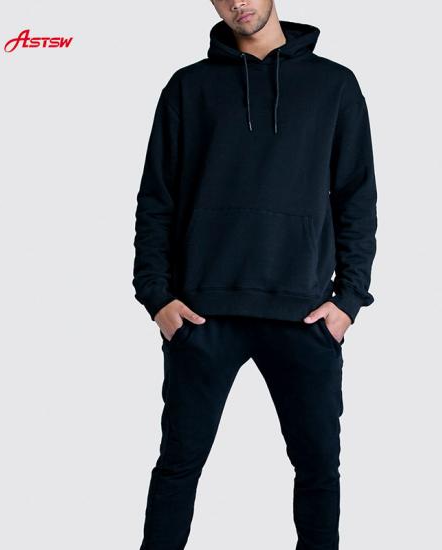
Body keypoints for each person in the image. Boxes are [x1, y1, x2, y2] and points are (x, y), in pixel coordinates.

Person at [132, 1, 378, 548]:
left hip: (303, 314)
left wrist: (347, 302)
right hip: (202, 314)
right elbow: (156, 200)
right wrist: (157, 297)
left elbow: (357, 199)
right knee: (178, 466)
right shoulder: (187, 88)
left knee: (318, 469)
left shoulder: (335, 85)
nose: (238, 2)